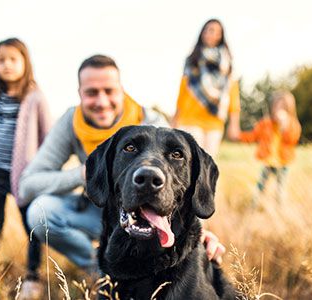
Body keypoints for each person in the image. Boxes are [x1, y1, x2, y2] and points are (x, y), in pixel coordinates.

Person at [19, 55, 226, 293]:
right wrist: (83, 174)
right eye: (92, 92)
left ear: (122, 90)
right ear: (79, 93)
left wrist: (199, 232)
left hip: (153, 210)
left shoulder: (151, 121)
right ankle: (99, 268)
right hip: (101, 206)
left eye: (109, 90)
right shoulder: (70, 122)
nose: (102, 101)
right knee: (40, 211)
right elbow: (28, 185)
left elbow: (180, 180)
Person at [0, 38, 51, 294]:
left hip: (24, 176)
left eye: (13, 59)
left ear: (25, 62)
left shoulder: (35, 97)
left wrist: (43, 170)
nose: (6, 65)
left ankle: (33, 276)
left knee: (31, 224)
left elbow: (48, 136)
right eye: (1, 60)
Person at [172, 19, 241, 157]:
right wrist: (175, 118)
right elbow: (183, 91)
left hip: (214, 121)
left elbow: (232, 94)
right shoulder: (192, 60)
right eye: (209, 30)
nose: (212, 34)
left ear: (221, 36)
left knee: (208, 163)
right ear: (202, 33)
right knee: (191, 160)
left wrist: (234, 123)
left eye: (217, 32)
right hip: (190, 118)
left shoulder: (227, 64)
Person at [237, 91, 301, 204]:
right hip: (268, 161)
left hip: (283, 163)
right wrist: (238, 136)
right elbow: (253, 136)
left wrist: (284, 126)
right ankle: (254, 204)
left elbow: (292, 139)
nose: (279, 110)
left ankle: (280, 207)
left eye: (283, 107)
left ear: (289, 109)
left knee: (280, 188)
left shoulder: (292, 124)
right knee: (260, 185)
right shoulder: (266, 124)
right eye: (277, 106)